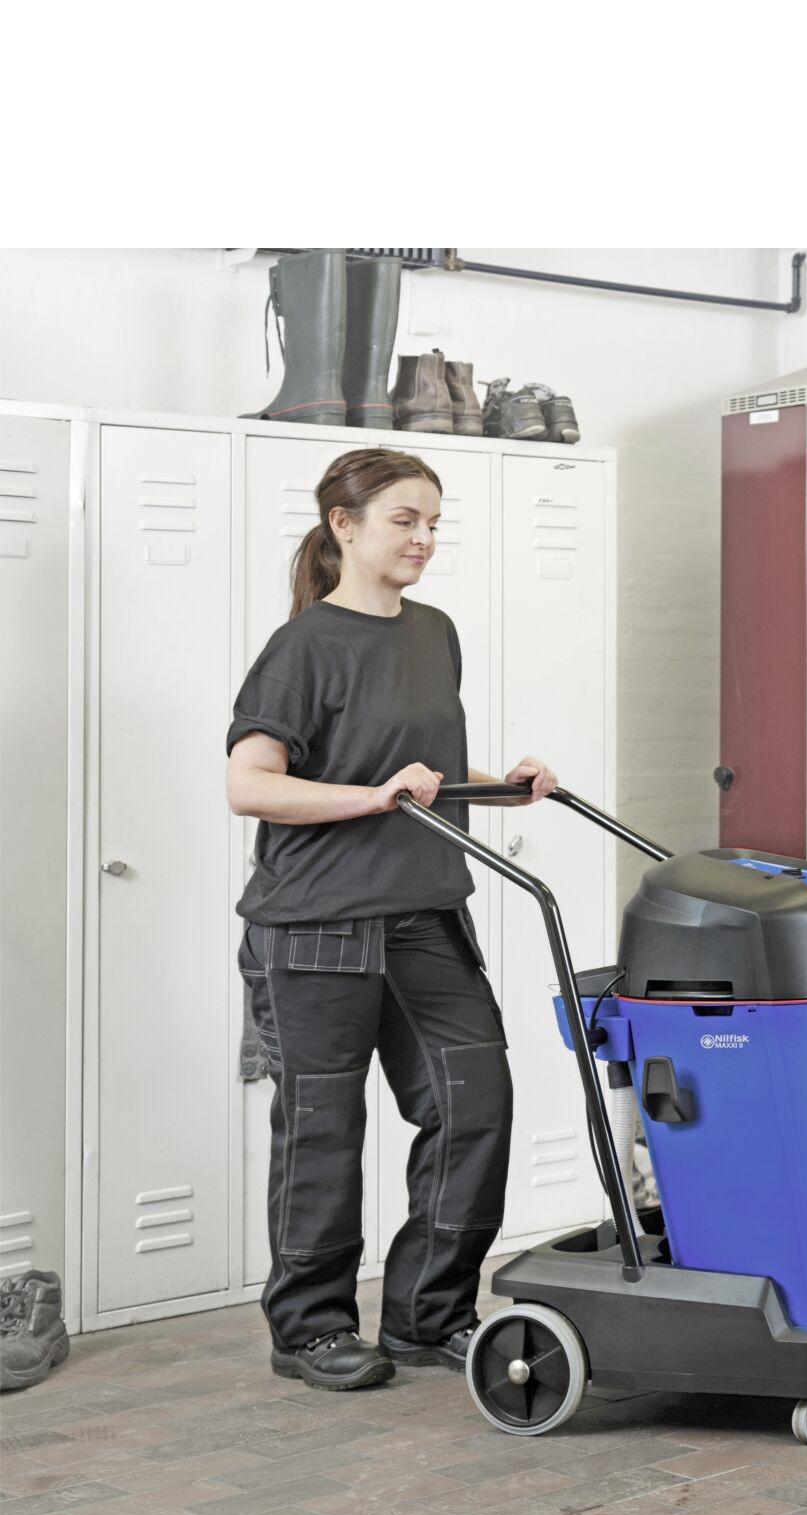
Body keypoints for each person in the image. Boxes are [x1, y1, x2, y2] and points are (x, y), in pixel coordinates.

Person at [226, 446, 558, 1390]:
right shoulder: (304, 645)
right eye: (405, 520)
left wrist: (504, 785)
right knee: (323, 1129)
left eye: (433, 523)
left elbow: (420, 771)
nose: (423, 539)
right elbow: (250, 785)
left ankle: (428, 1315)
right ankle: (310, 1330)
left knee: (473, 1105)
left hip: (424, 917)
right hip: (315, 927)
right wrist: (371, 799)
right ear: (344, 526)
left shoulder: (433, 632)